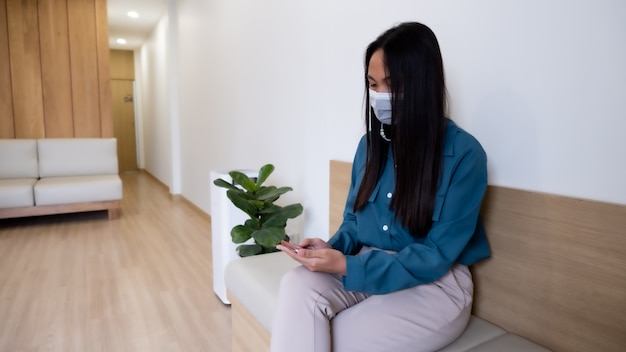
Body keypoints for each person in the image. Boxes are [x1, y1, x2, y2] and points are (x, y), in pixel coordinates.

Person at [272, 22, 490, 352]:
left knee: (342, 337)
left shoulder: (464, 156)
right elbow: (354, 222)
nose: (380, 96)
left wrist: (348, 265)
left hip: (435, 283)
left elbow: (435, 256)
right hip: (369, 261)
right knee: (296, 286)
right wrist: (332, 249)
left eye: (391, 84)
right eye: (373, 85)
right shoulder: (369, 146)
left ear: (422, 83)